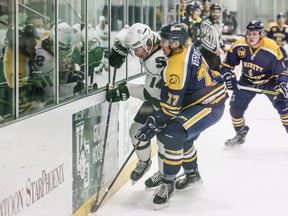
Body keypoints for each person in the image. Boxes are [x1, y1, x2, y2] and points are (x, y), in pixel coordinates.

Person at [135, 23, 228, 208]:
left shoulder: (177, 65)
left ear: (176, 43)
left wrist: (152, 123)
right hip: (203, 98)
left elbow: (170, 109)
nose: (161, 44)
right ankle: (193, 176)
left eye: (164, 40)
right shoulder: (188, 46)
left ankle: (168, 183)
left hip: (208, 104)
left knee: (172, 134)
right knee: (184, 138)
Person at [106, 23, 167, 188]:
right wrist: (119, 45)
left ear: (148, 44)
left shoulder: (156, 61)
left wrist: (126, 89)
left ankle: (165, 176)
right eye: (133, 50)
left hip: (168, 105)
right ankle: (144, 162)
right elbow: (128, 28)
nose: (135, 54)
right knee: (135, 132)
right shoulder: (151, 40)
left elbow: (149, 93)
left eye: (137, 49)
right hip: (156, 100)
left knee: (164, 143)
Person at [220, 20, 288, 147]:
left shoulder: (272, 47)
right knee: (235, 109)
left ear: (261, 34)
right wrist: (229, 76)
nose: (251, 36)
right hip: (247, 81)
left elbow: (282, 72)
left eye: (255, 33)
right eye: (249, 33)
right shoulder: (239, 45)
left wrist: (283, 84)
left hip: (269, 81)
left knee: (284, 107)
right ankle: (240, 134)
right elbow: (225, 66)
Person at [200, 3, 227, 71]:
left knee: (218, 74)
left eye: (217, 12)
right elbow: (203, 40)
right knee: (209, 75)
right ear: (210, 12)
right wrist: (214, 49)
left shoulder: (219, 24)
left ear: (220, 13)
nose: (215, 14)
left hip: (216, 55)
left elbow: (218, 37)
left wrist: (223, 47)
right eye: (214, 12)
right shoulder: (206, 23)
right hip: (208, 54)